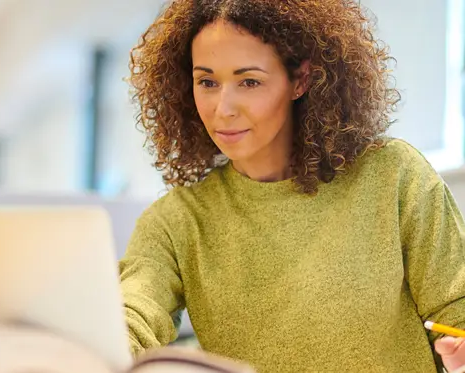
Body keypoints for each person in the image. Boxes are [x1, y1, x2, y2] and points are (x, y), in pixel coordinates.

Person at [119, 1, 465, 372]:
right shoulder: (176, 221)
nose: (223, 108)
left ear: (300, 80)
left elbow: (456, 306)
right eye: (207, 82)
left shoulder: (394, 177)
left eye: (249, 81)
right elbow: (134, 316)